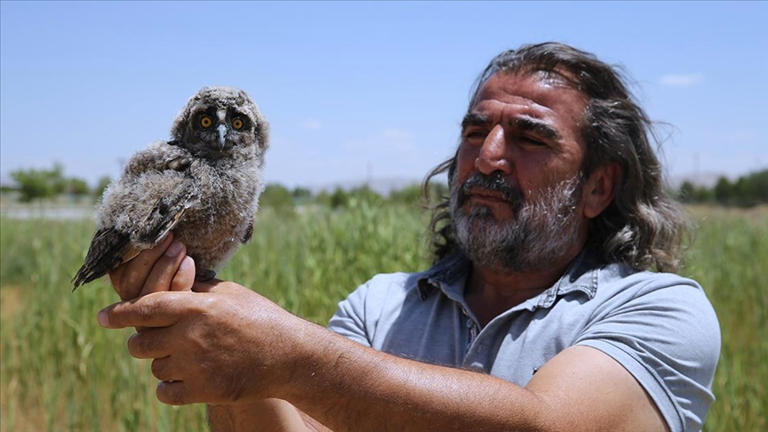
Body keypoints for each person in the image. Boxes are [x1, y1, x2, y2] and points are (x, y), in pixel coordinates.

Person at [97, 42, 720, 432]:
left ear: (598, 188)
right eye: (475, 133)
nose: (489, 157)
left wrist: (289, 356)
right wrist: (228, 357)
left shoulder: (660, 310)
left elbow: (550, 427)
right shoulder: (381, 307)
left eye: (530, 138)